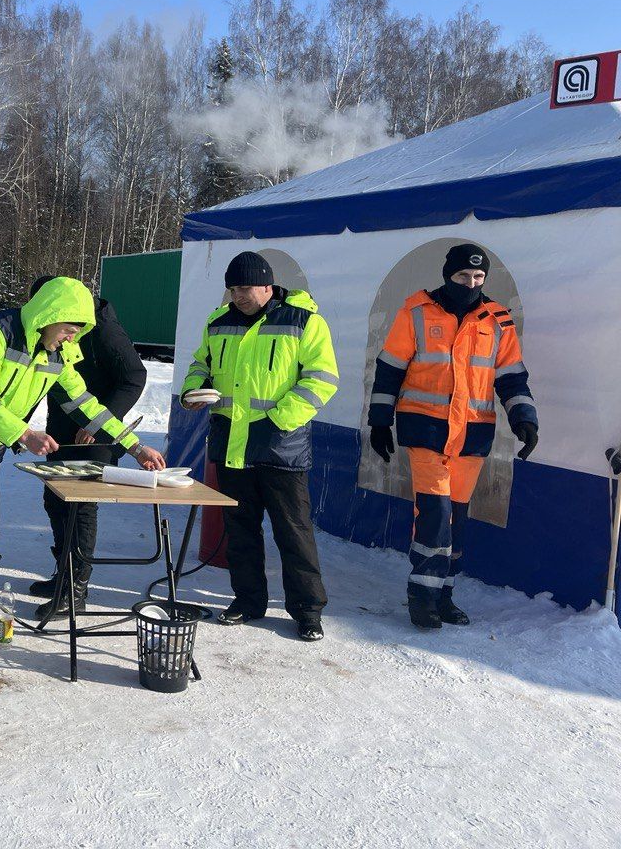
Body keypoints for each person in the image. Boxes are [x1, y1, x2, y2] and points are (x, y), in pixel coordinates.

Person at [0, 276, 166, 618]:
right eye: (70, 328)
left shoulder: (59, 354)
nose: (73, 337)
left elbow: (87, 403)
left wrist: (135, 447)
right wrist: (25, 434)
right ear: (49, 314)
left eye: (78, 330)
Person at [367, 243, 537, 630]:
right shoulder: (417, 311)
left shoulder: (497, 320)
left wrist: (524, 418)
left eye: (478, 278)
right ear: (448, 275)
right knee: (435, 513)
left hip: (473, 435)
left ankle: (443, 593)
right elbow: (390, 368)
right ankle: (422, 597)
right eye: (463, 276)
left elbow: (511, 375)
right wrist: (379, 420)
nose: (471, 283)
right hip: (425, 429)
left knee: (456, 518)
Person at [180, 251, 338, 642]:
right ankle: (248, 601)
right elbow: (200, 364)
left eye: (245, 288)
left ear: (267, 286)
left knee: (294, 532)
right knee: (240, 530)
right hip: (232, 446)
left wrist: (279, 420)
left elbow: (322, 379)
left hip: (281, 447)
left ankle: (307, 611)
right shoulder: (218, 323)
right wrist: (191, 391)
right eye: (232, 289)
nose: (238, 296)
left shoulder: (304, 321)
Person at [27, 275, 147, 620]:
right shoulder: (52, 327)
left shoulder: (104, 329)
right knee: (55, 500)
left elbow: (133, 378)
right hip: (64, 426)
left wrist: (97, 423)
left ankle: (76, 591)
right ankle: (63, 575)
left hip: (99, 431)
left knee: (80, 508)